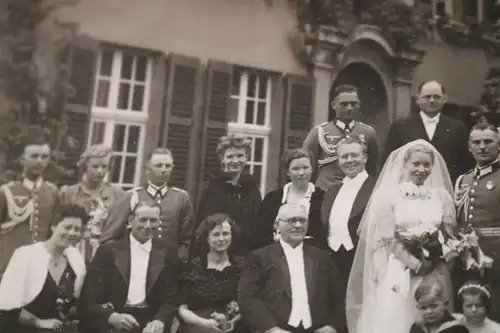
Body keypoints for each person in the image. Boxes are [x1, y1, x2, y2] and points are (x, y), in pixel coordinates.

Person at [346, 140, 457, 333]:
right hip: (401, 269)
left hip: (434, 269)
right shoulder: (388, 196)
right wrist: (416, 264)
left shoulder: (441, 196)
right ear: (405, 164)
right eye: (416, 164)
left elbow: (448, 235)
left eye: (426, 164)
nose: (421, 169)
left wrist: (441, 255)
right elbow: (388, 239)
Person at [238, 203, 346, 333]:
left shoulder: (322, 257)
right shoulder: (258, 258)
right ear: (277, 226)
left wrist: (332, 326)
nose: (298, 225)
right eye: (291, 221)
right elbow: (248, 298)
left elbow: (339, 296)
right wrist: (271, 328)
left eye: (302, 220)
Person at [78, 200, 179, 333]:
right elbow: (87, 299)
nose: (148, 226)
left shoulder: (167, 253)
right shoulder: (108, 251)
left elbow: (171, 298)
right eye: (143, 220)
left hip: (149, 321)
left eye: (153, 220)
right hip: (113, 320)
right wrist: (111, 316)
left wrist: (159, 321)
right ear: (131, 221)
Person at [0, 204, 88, 333]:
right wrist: (39, 322)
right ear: (53, 226)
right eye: (67, 227)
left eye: (77, 229)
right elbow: (7, 305)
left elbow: (75, 303)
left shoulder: (76, 260)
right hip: (24, 328)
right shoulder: (25, 255)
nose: (72, 233)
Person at [100, 148, 194, 261]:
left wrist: (178, 261)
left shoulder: (181, 197)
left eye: (168, 166)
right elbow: (109, 237)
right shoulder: (132, 196)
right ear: (147, 169)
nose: (164, 170)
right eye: (158, 165)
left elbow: (187, 239)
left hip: (169, 265)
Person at [315, 136, 376, 306]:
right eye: (344, 156)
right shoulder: (331, 192)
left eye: (354, 155)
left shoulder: (377, 188)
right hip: (333, 261)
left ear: (365, 157)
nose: (349, 160)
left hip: (363, 263)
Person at [454, 119, 500, 321]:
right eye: (477, 142)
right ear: (469, 147)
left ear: (499, 145)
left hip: (496, 256)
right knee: (470, 311)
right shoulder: (463, 180)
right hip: (467, 258)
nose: (482, 147)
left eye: (488, 141)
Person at [383, 80, 471, 183]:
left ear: (444, 99)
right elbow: (389, 162)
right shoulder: (401, 126)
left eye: (436, 97)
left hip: (445, 189)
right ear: (418, 99)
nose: (432, 100)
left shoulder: (457, 128)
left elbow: (465, 164)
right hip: (408, 189)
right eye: (427, 97)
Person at [0, 132, 60, 276]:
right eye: (34, 156)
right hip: (8, 265)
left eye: (44, 157)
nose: (40, 161)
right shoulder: (6, 191)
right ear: (22, 159)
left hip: (39, 266)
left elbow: (54, 232)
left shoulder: (52, 192)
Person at [303, 84, 379, 191]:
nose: (349, 108)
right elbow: (308, 168)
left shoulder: (368, 133)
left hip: (357, 192)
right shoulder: (319, 133)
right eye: (344, 104)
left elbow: (372, 168)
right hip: (325, 191)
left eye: (353, 104)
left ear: (359, 105)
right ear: (333, 105)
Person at [59, 144, 125, 264]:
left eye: (104, 167)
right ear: (85, 167)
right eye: (95, 166)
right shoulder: (70, 193)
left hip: (106, 254)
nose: (100, 171)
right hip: (74, 252)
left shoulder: (117, 194)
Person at [195, 134, 261, 254]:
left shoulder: (252, 188)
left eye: (240, 156)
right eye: (230, 156)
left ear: (247, 157)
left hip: (248, 255)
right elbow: (204, 229)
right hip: (219, 254)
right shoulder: (213, 188)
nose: (235, 161)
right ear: (222, 159)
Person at [178, 213, 244, 333]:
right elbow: (182, 309)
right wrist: (205, 324)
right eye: (215, 235)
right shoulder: (192, 267)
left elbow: (249, 304)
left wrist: (231, 323)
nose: (221, 239)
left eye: (225, 234)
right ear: (206, 238)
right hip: (197, 327)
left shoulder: (241, 266)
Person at [257, 148, 323, 249]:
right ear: (288, 172)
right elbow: (262, 233)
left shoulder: (322, 197)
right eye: (295, 168)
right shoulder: (272, 198)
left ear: (312, 169)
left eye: (305, 168)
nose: (301, 173)